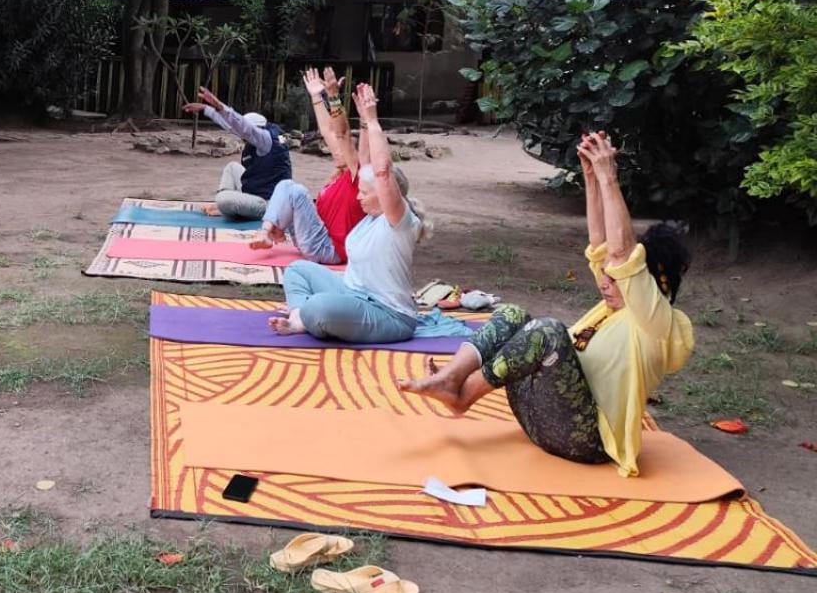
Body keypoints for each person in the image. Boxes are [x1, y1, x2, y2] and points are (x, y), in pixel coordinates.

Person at [397, 132, 694, 476]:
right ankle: (452, 378)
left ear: (654, 284)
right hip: (542, 418)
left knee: (548, 332)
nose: (604, 281)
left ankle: (464, 396)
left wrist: (609, 176)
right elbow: (601, 246)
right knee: (512, 314)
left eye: (619, 278)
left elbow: (620, 253)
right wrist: (591, 177)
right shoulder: (611, 306)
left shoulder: (659, 325)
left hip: (586, 441)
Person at [269, 83, 434, 343]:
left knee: (318, 307)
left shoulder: (399, 222)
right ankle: (301, 318)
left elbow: (382, 170)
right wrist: (343, 107)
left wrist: (372, 120)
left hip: (389, 314)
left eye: (365, 192)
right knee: (297, 270)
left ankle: (304, 317)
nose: (359, 196)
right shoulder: (369, 217)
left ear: (385, 193)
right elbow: (343, 136)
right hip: (352, 293)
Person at [247, 67, 365, 265]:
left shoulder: (357, 175)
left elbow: (342, 133)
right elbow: (328, 130)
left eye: (342, 148)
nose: (335, 148)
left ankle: (270, 231)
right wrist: (317, 97)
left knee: (297, 192)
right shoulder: (339, 175)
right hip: (313, 239)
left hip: (328, 250)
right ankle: (267, 232)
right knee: (286, 186)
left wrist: (335, 97)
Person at [181, 85, 292, 221]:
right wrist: (207, 109)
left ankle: (224, 208)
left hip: (269, 205)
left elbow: (243, 127)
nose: (241, 135)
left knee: (223, 199)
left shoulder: (266, 139)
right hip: (257, 192)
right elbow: (233, 127)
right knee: (232, 167)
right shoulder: (263, 138)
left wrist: (220, 106)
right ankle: (229, 206)